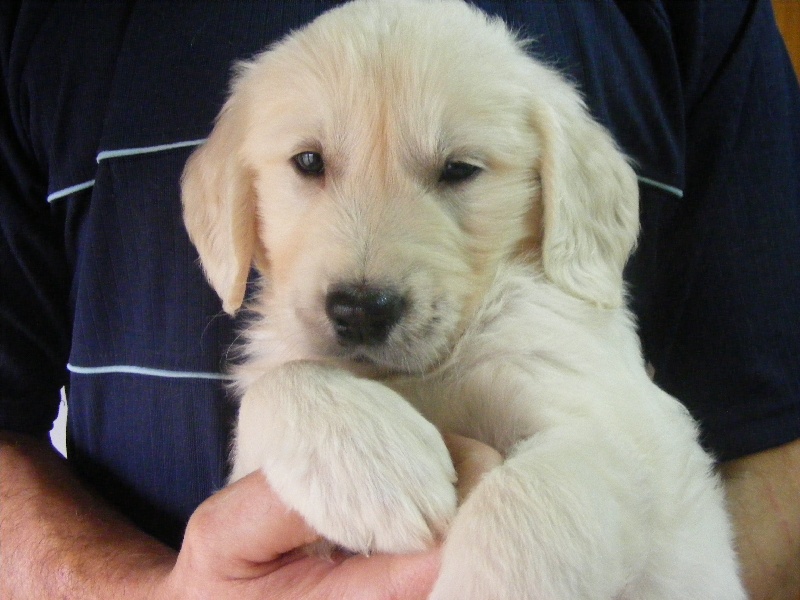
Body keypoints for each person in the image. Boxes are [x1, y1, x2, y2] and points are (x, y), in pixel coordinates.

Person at [1, 1, 798, 598]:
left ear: (560, 191)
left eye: (457, 171)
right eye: (309, 162)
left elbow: (632, 466)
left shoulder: (548, 312)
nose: (366, 275)